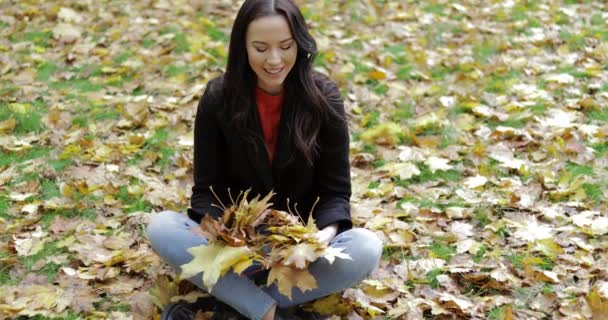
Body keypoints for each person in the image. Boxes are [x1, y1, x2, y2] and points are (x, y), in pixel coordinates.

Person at [146, 0, 383, 319]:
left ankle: (232, 306)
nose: (274, 60)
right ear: (242, 47)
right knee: (161, 227)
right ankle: (272, 311)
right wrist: (214, 226)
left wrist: (318, 240)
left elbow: (336, 193)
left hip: (297, 253)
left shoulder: (323, 97)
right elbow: (206, 190)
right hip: (237, 252)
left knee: (367, 247)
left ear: (299, 43)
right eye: (260, 48)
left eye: (286, 46)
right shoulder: (218, 97)